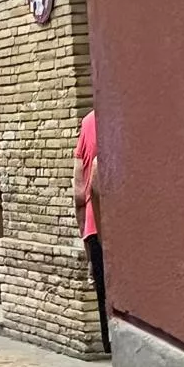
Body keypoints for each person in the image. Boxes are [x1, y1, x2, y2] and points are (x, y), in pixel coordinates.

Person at [74, 109, 108, 353]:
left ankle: (111, 346)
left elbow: (78, 193)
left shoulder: (87, 122)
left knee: (104, 293)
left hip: (95, 224)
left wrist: (85, 245)